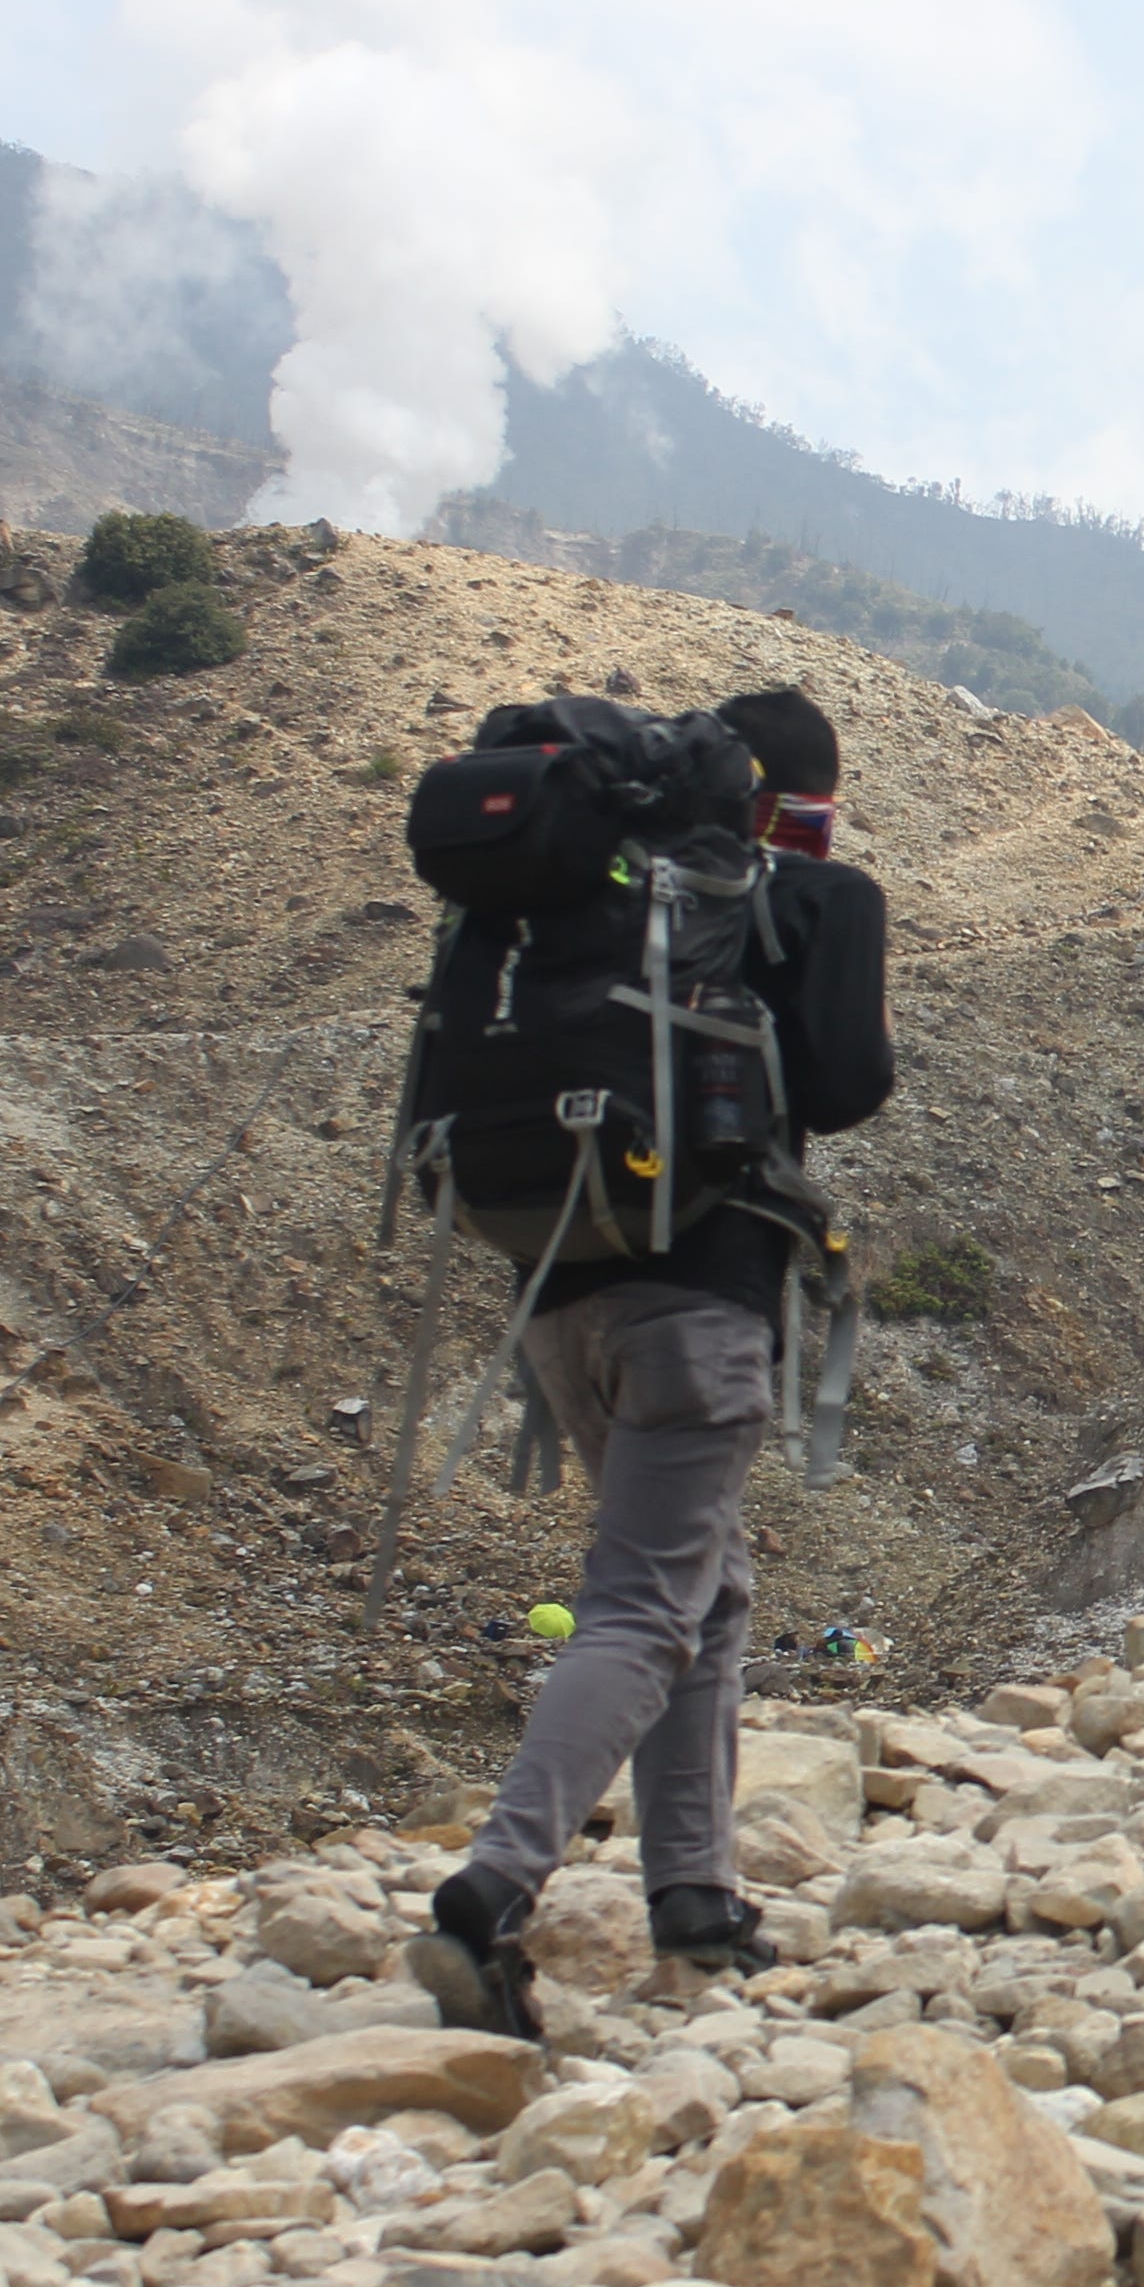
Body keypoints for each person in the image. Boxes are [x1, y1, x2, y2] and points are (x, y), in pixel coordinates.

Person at [409, 683, 893, 2039]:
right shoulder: (803, 894)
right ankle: (496, 1889)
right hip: (701, 1301)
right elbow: (850, 1084)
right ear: (796, 802)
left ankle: (695, 1897)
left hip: (559, 1297)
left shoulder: (584, 898)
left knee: (710, 1592)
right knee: (641, 1605)